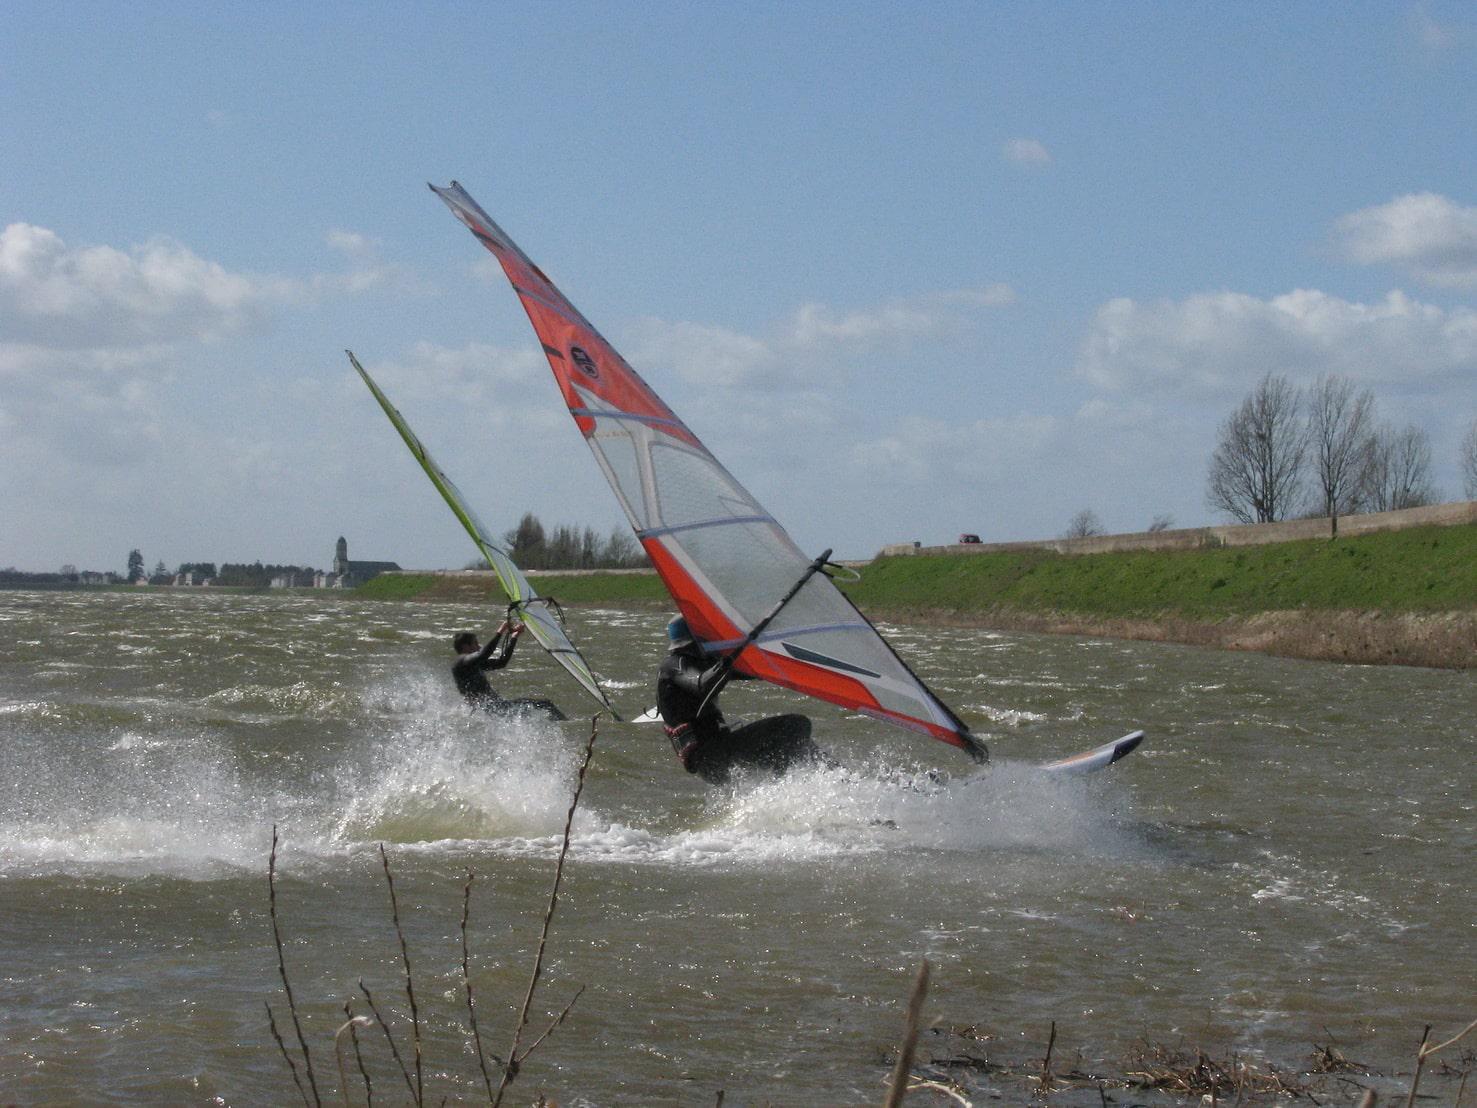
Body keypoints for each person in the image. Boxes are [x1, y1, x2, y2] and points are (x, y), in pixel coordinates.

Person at [656, 615, 826, 785]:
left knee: (800, 744)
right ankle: (784, 789)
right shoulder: (673, 665)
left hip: (718, 756)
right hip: (712, 756)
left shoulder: (702, 663)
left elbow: (754, 671)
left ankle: (837, 779)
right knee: (794, 725)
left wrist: (799, 663)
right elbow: (702, 684)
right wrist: (726, 662)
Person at [452, 620, 566, 720]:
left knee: (537, 710)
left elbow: (502, 662)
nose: (479, 646)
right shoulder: (462, 661)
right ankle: (566, 724)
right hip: (494, 710)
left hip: (496, 709)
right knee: (545, 705)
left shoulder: (472, 664)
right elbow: (484, 654)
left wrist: (514, 637)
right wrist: (501, 630)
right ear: (465, 647)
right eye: (475, 643)